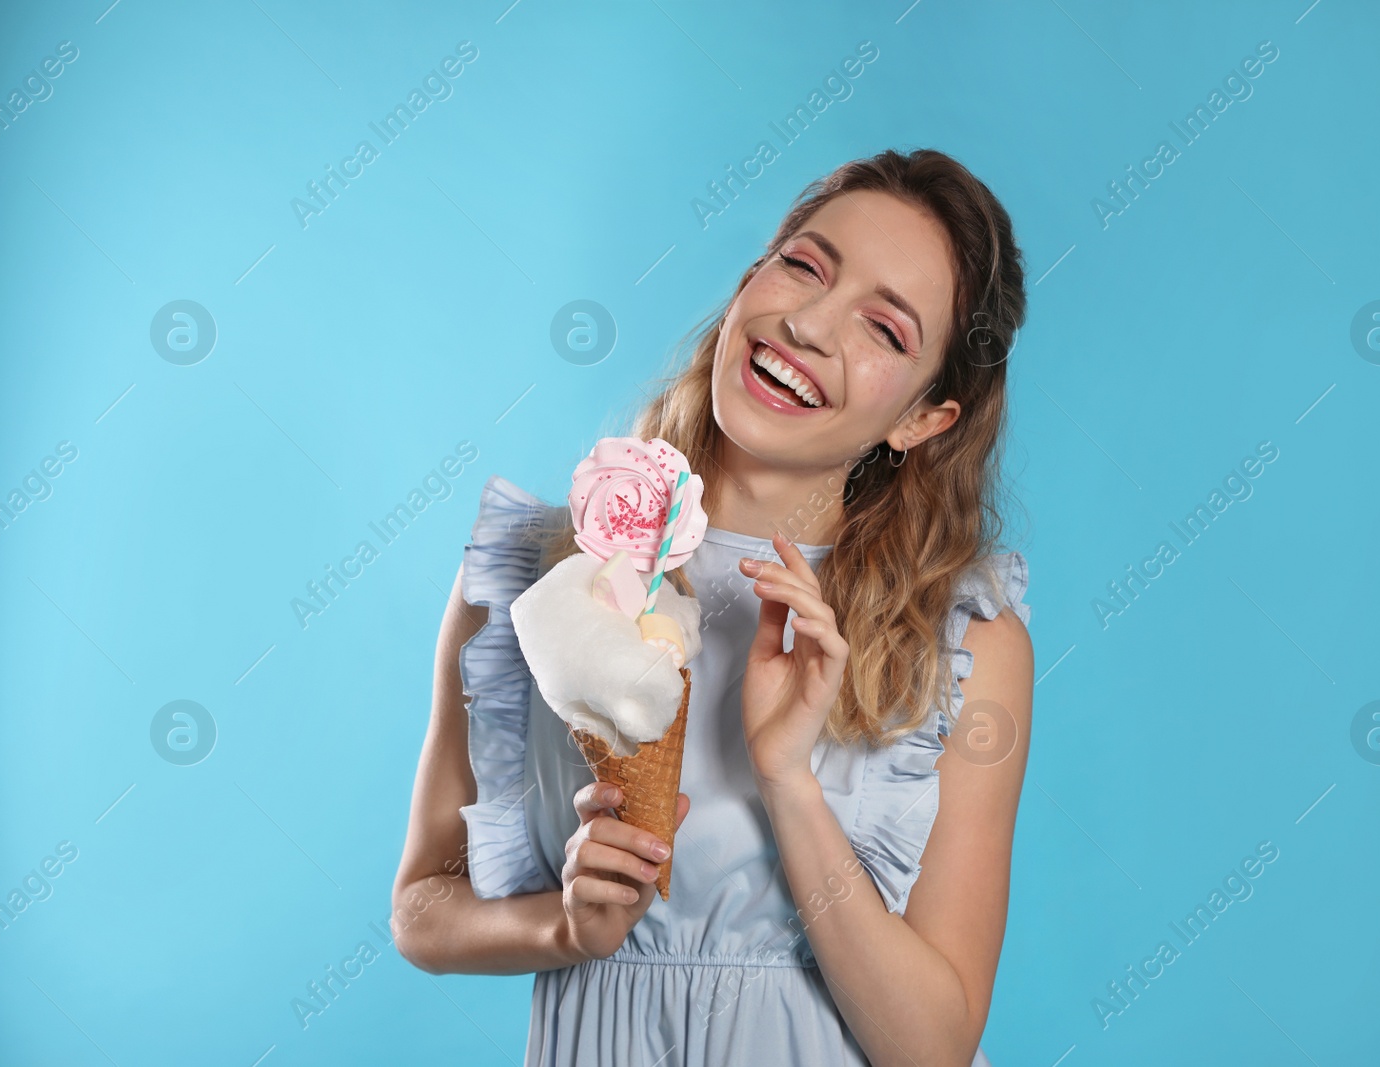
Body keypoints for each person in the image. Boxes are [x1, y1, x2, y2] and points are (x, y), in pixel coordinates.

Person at [392, 147, 1034, 1066]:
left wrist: (788, 779)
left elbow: (933, 1045)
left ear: (924, 420)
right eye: (804, 265)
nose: (809, 323)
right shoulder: (540, 574)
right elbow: (422, 905)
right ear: (749, 279)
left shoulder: (965, 641)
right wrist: (563, 930)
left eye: (884, 330)